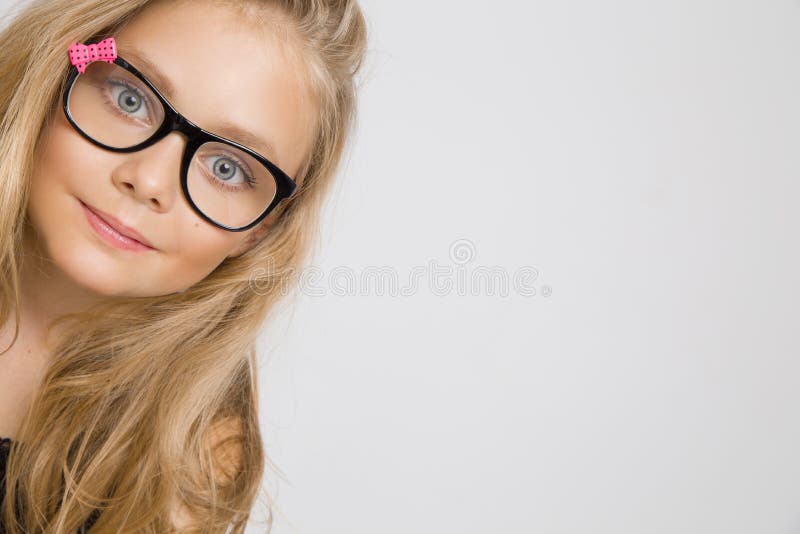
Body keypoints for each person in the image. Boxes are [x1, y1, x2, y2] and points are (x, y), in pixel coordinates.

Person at [0, 0, 366, 531]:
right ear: (59, 67)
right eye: (131, 98)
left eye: (227, 167)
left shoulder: (193, 458)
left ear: (263, 228)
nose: (149, 181)